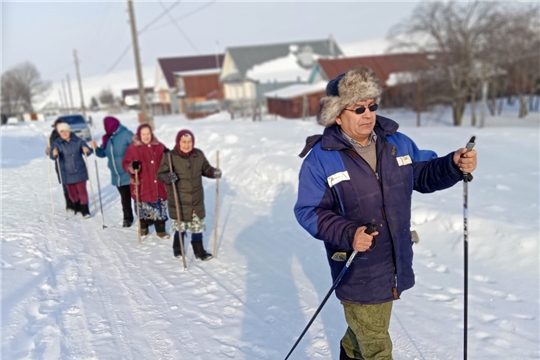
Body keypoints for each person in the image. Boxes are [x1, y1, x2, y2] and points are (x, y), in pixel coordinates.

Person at [293, 67, 477, 360]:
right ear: (338, 115)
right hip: (357, 269)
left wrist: (453, 165)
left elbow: (424, 174)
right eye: (358, 108)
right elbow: (308, 211)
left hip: (393, 262)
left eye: (372, 106)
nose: (368, 114)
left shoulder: (396, 143)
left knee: (361, 336)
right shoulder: (321, 160)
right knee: (377, 347)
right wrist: (348, 232)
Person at [157, 129, 221, 261]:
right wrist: (168, 177)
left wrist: (213, 172)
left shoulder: (198, 155)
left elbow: (206, 168)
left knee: (197, 227)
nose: (187, 144)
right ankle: (177, 247)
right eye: (184, 142)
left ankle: (199, 250)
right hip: (179, 200)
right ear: (178, 142)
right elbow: (160, 175)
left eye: (189, 141)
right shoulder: (170, 156)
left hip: (196, 200)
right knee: (181, 227)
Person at [122, 123, 169, 238]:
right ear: (139, 135)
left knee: (160, 209)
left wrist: (168, 156)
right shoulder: (132, 149)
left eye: (148, 133)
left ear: (151, 134)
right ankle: (144, 228)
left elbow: (167, 162)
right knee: (142, 209)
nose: (146, 136)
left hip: (158, 185)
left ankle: (160, 230)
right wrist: (133, 166)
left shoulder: (159, 146)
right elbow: (125, 164)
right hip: (142, 186)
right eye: (143, 134)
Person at [91, 116, 134, 227]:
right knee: (125, 199)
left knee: (137, 197)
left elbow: (137, 148)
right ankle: (127, 218)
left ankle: (144, 218)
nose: (108, 128)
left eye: (109, 125)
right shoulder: (107, 139)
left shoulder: (126, 134)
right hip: (117, 176)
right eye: (106, 126)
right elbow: (102, 153)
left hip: (130, 173)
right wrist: (95, 148)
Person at [49, 122, 94, 218]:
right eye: (62, 131)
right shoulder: (57, 143)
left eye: (66, 131)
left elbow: (89, 152)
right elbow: (53, 157)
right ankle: (77, 207)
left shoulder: (78, 141)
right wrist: (54, 153)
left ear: (69, 131)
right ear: (59, 133)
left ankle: (85, 210)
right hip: (66, 173)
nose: (64, 133)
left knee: (82, 192)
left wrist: (87, 150)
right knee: (72, 193)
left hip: (80, 171)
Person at [46, 118, 75, 212]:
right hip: (60, 162)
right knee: (65, 182)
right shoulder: (53, 135)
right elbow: (51, 149)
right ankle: (69, 203)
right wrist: (49, 151)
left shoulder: (69, 133)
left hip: (72, 161)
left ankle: (76, 201)